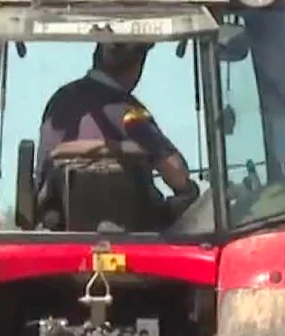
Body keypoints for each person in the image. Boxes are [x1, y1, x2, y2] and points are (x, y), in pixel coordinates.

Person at [34, 42, 197, 228]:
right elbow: (176, 174)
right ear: (137, 65)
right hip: (133, 233)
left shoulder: (58, 103)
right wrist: (188, 189)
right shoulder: (131, 113)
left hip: (58, 227)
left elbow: (41, 174)